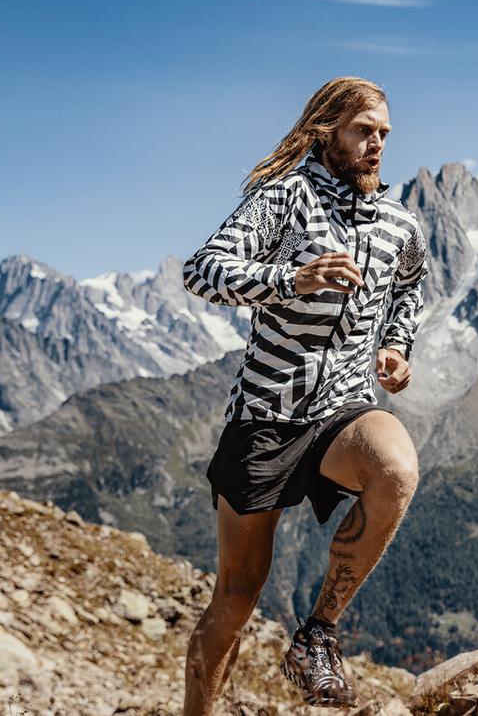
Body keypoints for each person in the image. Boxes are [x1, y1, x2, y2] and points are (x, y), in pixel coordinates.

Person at [179, 76, 429, 713]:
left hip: (341, 410)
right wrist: (291, 278)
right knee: (236, 599)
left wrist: (396, 347)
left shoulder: (401, 222)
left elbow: (409, 292)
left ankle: (317, 636)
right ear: (328, 130)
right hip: (265, 413)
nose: (376, 144)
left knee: (396, 467)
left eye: (384, 134)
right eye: (363, 131)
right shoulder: (283, 198)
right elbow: (202, 270)